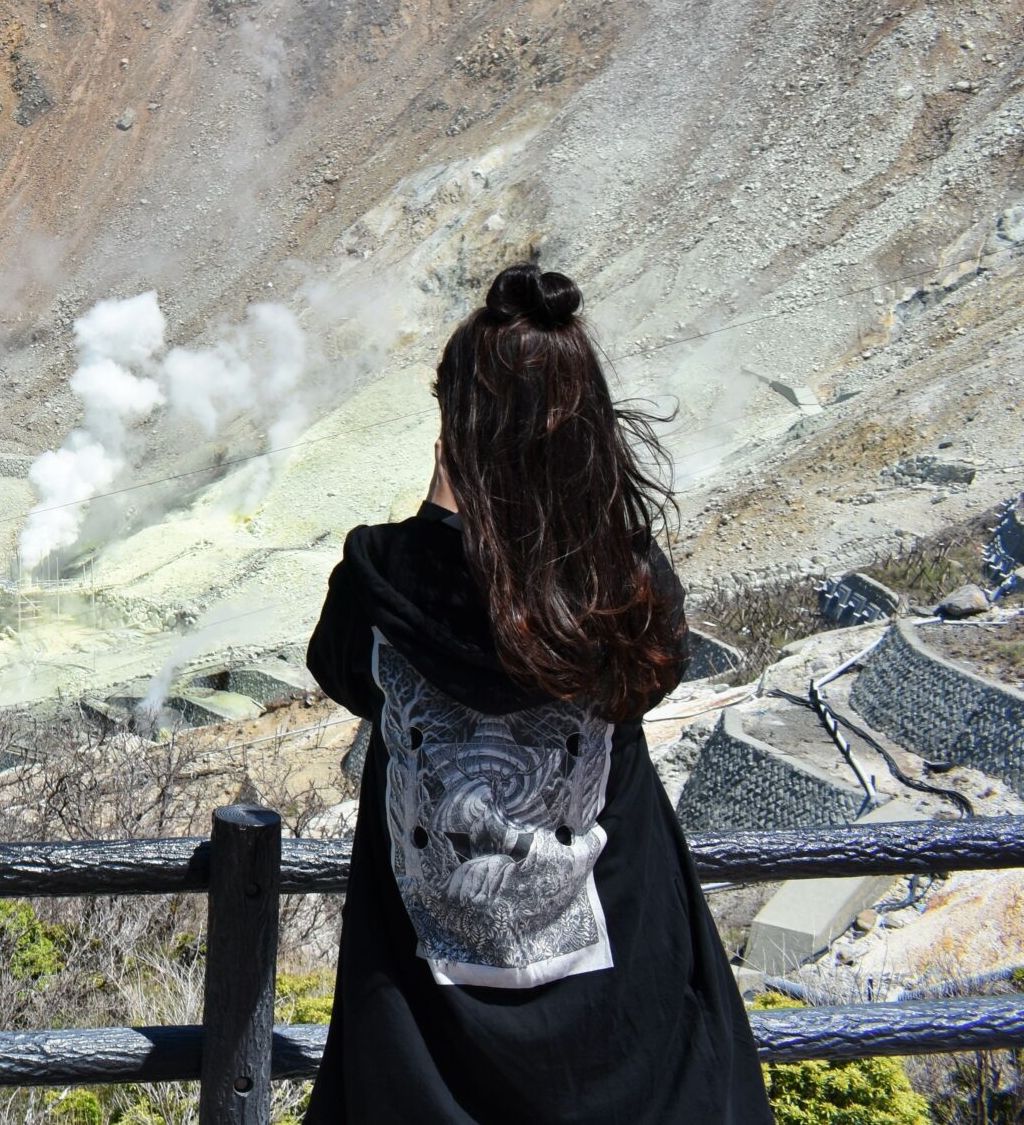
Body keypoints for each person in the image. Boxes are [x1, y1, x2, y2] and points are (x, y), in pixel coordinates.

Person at [301, 263, 769, 1124]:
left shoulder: (381, 580)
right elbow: (655, 676)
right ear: (587, 432)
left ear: (455, 434)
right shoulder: (627, 587)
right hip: (626, 1017)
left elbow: (338, 669)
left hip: (422, 1035)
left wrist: (437, 520)